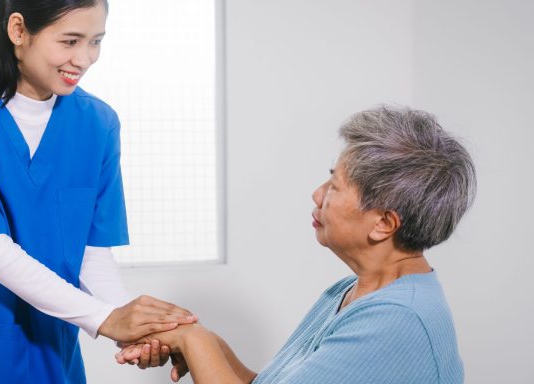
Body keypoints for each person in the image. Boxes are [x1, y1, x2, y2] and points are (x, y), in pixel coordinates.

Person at [0, 0, 194, 382]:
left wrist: (141, 326)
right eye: (70, 41)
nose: (85, 58)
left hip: (52, 344)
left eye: (96, 42)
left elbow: (91, 254)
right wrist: (107, 319)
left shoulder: (98, 124)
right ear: (18, 30)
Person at [118, 105, 474, 383]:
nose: (318, 194)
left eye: (335, 187)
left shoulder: (399, 319)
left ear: (383, 223)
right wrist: (199, 341)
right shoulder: (350, 291)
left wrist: (193, 341)